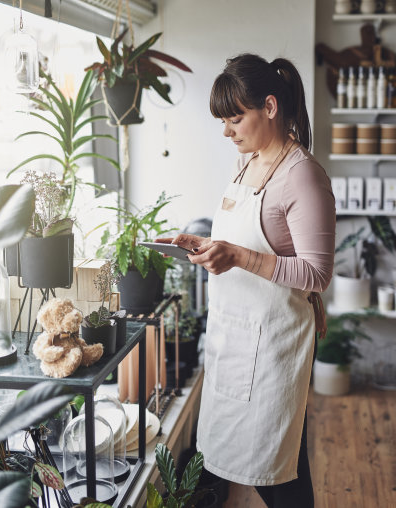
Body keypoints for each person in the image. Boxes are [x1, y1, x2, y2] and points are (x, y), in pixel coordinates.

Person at [158, 53, 336, 508]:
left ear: (270, 107)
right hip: (232, 341)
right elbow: (246, 243)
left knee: (279, 475)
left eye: (235, 119)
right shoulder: (248, 163)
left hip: (272, 351)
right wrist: (207, 244)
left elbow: (317, 273)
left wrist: (236, 254)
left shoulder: (303, 178)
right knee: (231, 459)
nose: (227, 131)